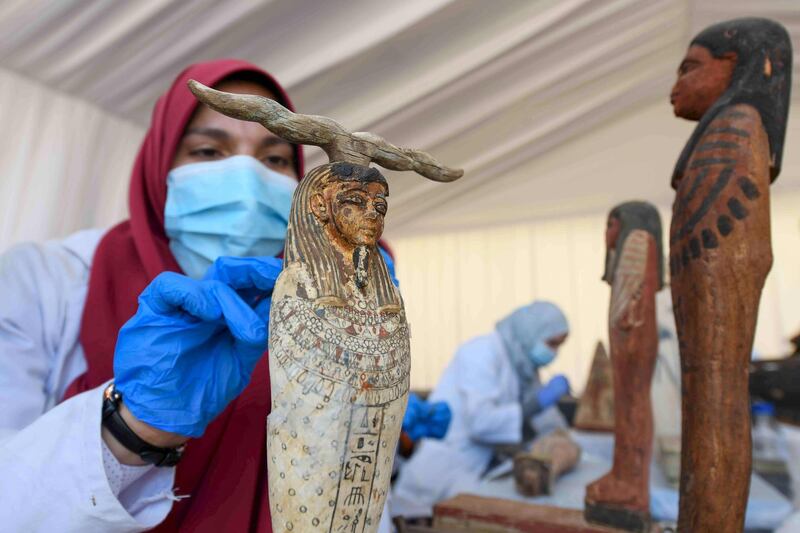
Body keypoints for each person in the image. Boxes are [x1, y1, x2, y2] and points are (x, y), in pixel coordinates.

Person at [0, 59, 394, 532]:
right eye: (209, 151)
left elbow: (348, 487)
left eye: (274, 160)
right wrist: (131, 428)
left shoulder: (319, 303)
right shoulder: (46, 282)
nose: (247, 182)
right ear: (159, 165)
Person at [391, 301, 570, 518]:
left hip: (472, 469)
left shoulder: (521, 368)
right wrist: (534, 406)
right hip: (441, 469)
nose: (553, 352)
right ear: (530, 332)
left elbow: (543, 421)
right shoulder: (481, 352)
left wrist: (561, 437)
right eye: (551, 343)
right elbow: (481, 422)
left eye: (559, 346)